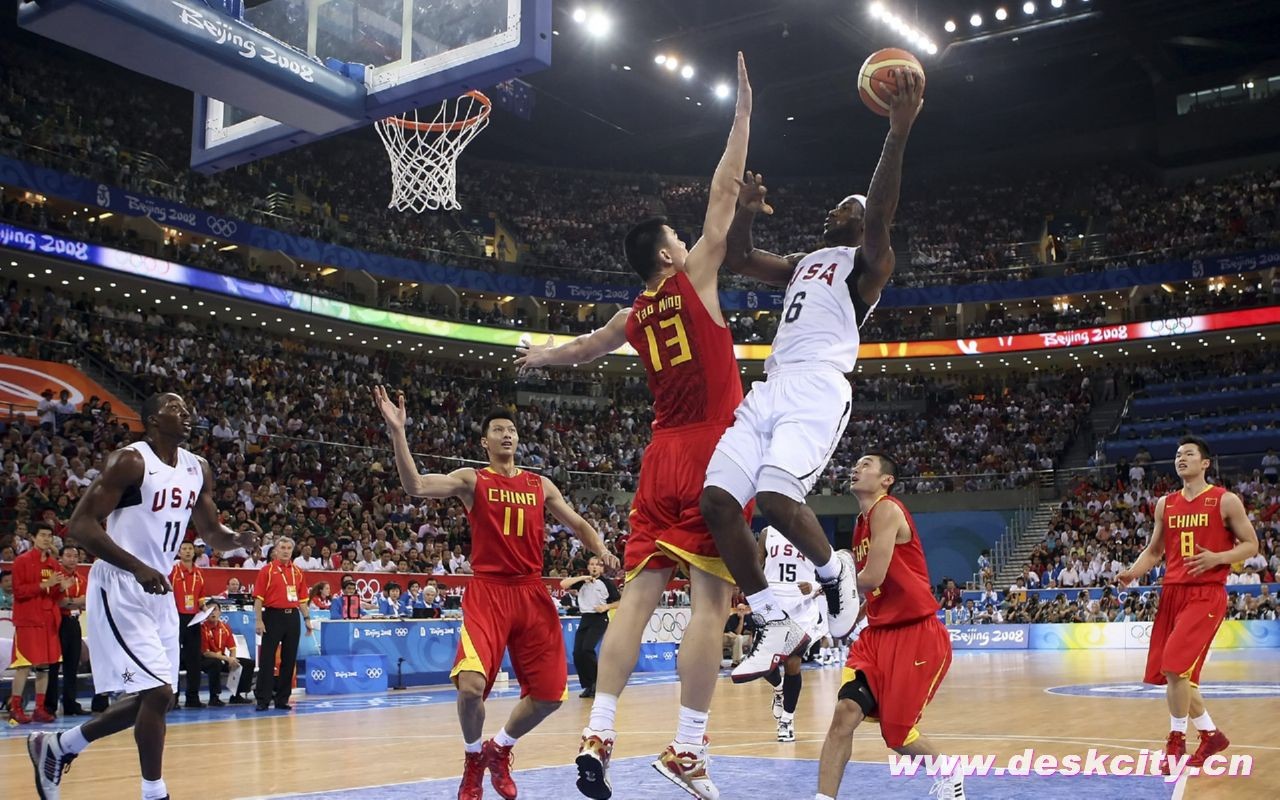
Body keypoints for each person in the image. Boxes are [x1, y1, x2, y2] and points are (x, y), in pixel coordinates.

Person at [515, 53, 756, 800]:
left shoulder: (630, 316)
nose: (690, 242)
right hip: (716, 454)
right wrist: (743, 116)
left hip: (660, 456)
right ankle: (686, 748)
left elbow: (582, 351)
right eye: (679, 239)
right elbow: (723, 193)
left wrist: (537, 356)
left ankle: (599, 732)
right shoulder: (696, 280)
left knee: (638, 601)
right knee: (710, 607)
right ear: (665, 254)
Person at [700, 66, 925, 684]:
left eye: (846, 205)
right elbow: (740, 258)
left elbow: (880, 211)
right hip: (772, 384)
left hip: (820, 384)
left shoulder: (867, 264)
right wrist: (746, 211)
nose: (836, 208)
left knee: (775, 498)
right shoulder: (806, 260)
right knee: (718, 502)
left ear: (860, 220)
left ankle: (834, 575)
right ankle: (775, 618)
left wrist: (897, 132)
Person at [373, 390, 618, 800]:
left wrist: (603, 550)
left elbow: (578, 523)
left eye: (512, 430)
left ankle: (499, 748)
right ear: (484, 442)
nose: (507, 435)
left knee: (549, 695)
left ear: (518, 440)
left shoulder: (539, 485)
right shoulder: (472, 479)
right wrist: (398, 432)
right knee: (469, 688)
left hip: (530, 592)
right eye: (498, 430)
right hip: (488, 592)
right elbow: (414, 485)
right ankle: (473, 759)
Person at [29, 392, 256, 800]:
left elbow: (209, 532)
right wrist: (136, 566)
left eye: (187, 408)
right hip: (120, 583)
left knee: (158, 698)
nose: (185, 414)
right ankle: (154, 793)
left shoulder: (197, 467)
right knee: (158, 692)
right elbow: (80, 526)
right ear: (151, 419)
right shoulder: (131, 460)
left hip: (158, 588)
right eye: (174, 408)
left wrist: (237, 539)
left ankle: (60, 746)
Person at [817, 453, 964, 800]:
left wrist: (825, 584)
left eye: (866, 464)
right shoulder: (860, 523)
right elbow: (874, 590)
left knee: (897, 735)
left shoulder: (887, 509)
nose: (856, 467)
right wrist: (847, 615)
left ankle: (949, 772)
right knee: (844, 714)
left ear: (886, 480)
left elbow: (871, 576)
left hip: (916, 634)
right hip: (876, 637)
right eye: (856, 464)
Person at [1117, 436, 1259, 772]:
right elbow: (1154, 551)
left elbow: (1251, 545)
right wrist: (1132, 573)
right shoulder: (1166, 504)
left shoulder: (1225, 501)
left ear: (1205, 463)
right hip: (1172, 592)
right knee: (1179, 677)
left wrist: (1218, 558)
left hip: (1206, 592)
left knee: (1173, 665)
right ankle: (1211, 735)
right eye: (1178, 455)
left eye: (1189, 454)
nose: (1181, 459)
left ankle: (1175, 742)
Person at [758, 525, 829, 743]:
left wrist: (815, 585)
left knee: (792, 663)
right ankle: (780, 689)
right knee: (761, 664)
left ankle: (787, 721)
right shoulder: (767, 533)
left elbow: (831, 574)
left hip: (801, 606)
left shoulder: (812, 530)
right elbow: (754, 567)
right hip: (773, 603)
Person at [8, 524, 66, 724]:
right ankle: (15, 707)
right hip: (28, 620)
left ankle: (39, 709)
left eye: (49, 536)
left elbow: (57, 595)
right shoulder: (21, 561)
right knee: (24, 665)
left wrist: (61, 588)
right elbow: (19, 591)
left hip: (49, 621)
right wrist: (44, 585)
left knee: (45, 666)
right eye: (42, 535)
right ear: (33, 538)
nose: (46, 539)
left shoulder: (54, 565)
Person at [252, 536, 312, 711]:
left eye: (288, 548)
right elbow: (258, 599)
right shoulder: (266, 571)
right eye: (282, 548)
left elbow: (302, 600)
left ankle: (282, 699)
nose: (286, 551)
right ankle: (263, 699)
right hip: (272, 616)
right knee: (267, 659)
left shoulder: (298, 572)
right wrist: (259, 620)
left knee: (289, 659)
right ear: (275, 551)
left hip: (292, 617)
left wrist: (307, 619)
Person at [560, 556, 620, 698]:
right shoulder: (582, 582)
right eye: (591, 564)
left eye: (597, 565)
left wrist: (606, 606)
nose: (594, 567)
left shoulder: (607, 583)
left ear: (602, 568)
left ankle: (598, 683)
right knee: (577, 653)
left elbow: (620, 601)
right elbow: (563, 584)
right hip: (585, 618)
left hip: (599, 618)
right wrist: (582, 578)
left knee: (587, 649)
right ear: (588, 567)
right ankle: (588, 685)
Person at [44, 545, 87, 717]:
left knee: (72, 665)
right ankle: (50, 705)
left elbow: (85, 601)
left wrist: (71, 601)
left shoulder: (81, 579)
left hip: (74, 622)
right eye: (68, 555)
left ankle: (70, 704)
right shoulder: (57, 577)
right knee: (54, 664)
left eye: (75, 556)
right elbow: (58, 602)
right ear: (60, 558)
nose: (72, 559)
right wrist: (74, 601)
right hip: (58, 622)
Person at [169, 541, 207, 708]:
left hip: (193, 618)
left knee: (194, 659)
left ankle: (193, 697)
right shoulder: (172, 571)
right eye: (184, 549)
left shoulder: (199, 573)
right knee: (174, 659)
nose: (187, 552)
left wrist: (203, 607)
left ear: (194, 552)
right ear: (179, 552)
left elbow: (201, 595)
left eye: (190, 549)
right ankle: (173, 698)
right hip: (175, 618)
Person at [200, 603, 255, 705]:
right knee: (214, 663)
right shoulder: (203, 628)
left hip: (222, 658)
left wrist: (232, 659)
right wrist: (227, 659)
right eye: (210, 610)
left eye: (215, 610)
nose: (213, 613)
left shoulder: (224, 627)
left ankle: (237, 695)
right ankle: (214, 697)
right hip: (205, 660)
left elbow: (232, 647)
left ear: (220, 612)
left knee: (247, 663)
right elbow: (206, 653)